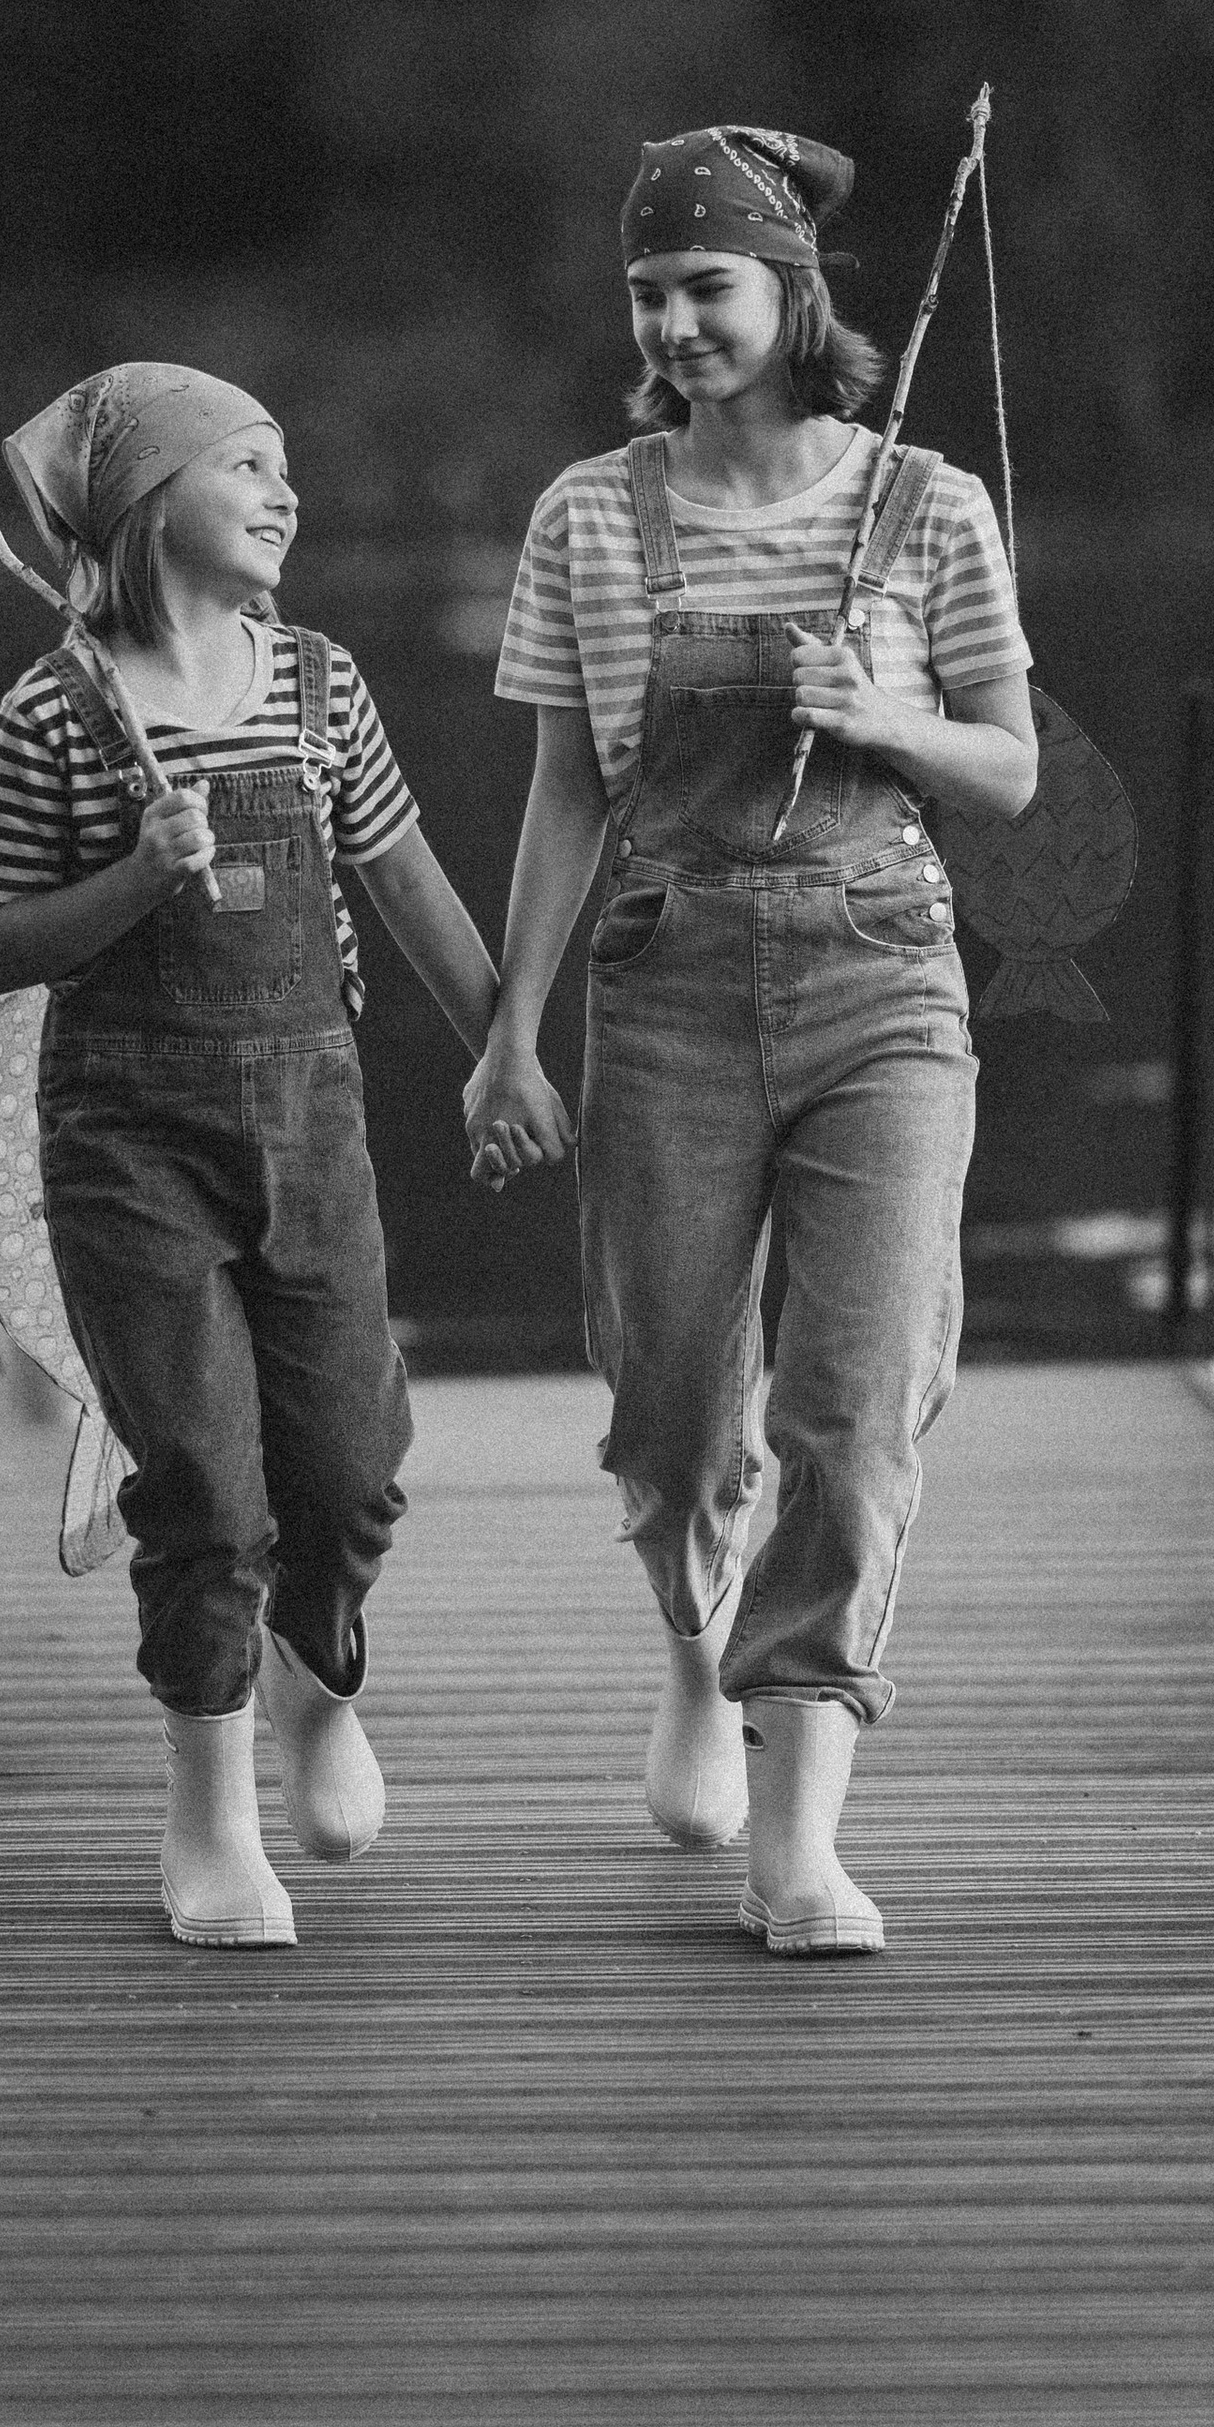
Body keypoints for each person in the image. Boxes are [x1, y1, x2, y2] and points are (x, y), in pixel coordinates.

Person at [464, 127, 1037, 1957]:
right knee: (673, 1406)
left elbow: (1012, 769)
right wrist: (509, 1032)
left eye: (706, 286)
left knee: (854, 1420)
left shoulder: (929, 507)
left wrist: (886, 716)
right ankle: (695, 1656)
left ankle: (801, 1837)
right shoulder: (587, 515)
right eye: (650, 294)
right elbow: (566, 792)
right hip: (667, 979)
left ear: (795, 295)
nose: (677, 321)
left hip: (888, 979)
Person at [0, 362, 567, 1949]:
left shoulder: (319, 684)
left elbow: (410, 886)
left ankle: (315, 1677)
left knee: (353, 1466)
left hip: (311, 1127)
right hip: (126, 1145)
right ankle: (212, 1819)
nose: (286, 493)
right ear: (157, 506)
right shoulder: (59, 712)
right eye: (249, 467)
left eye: (286, 465)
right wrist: (136, 884)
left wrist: (508, 1049)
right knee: (208, 1488)